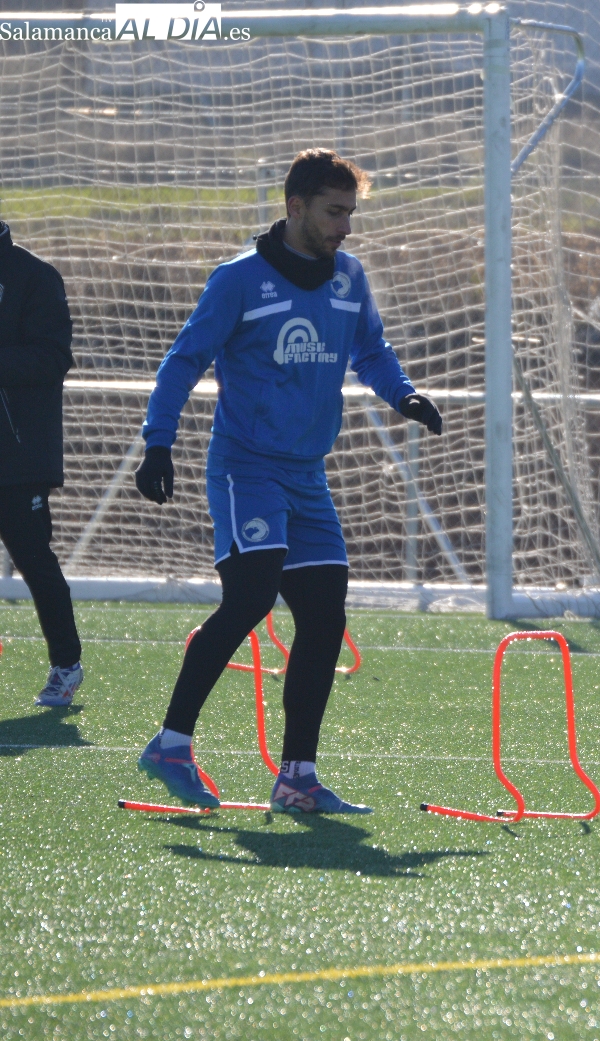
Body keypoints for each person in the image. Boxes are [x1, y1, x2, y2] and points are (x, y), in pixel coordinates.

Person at [133, 149, 443, 813]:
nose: (346, 228)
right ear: (295, 206)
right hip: (246, 466)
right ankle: (170, 742)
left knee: (325, 615)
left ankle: (297, 777)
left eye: (351, 213)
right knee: (249, 599)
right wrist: (158, 442)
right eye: (335, 212)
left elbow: (371, 351)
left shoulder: (349, 277)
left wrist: (404, 396)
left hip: (306, 474)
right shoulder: (238, 280)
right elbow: (185, 358)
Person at [0, 218, 84, 707]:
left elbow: (53, 357)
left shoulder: (33, 275)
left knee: (34, 561)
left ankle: (66, 665)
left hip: (18, 453)